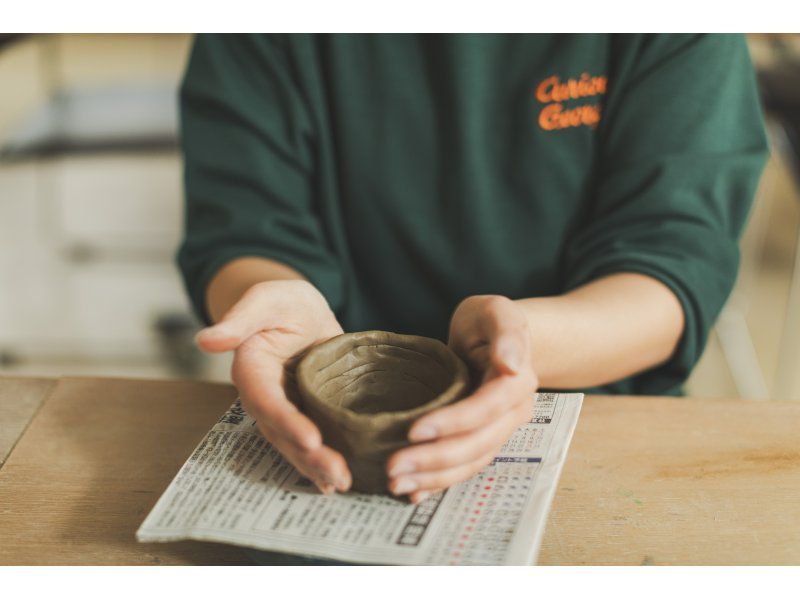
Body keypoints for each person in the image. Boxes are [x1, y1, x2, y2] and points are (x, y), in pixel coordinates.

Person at [178, 34, 767, 504]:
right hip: (320, 424)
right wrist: (270, 309)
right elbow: (245, 227)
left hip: (597, 415)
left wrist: (521, 346)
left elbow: (671, 263)